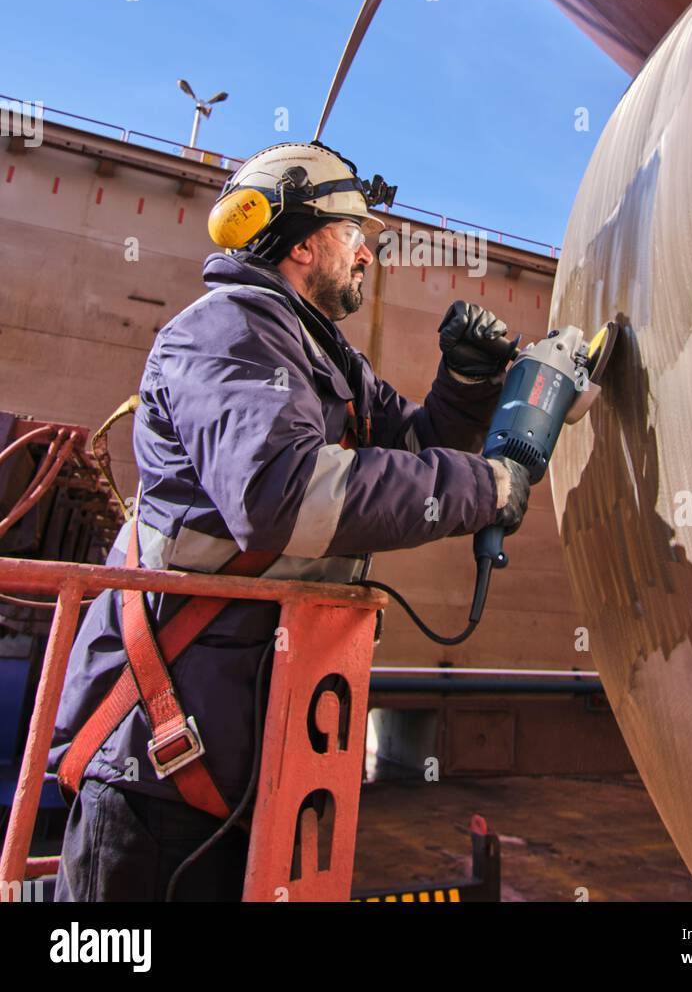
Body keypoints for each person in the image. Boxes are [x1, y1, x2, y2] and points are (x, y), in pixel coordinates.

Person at [48, 141, 531, 901]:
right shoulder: (227, 332)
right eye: (354, 234)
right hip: (157, 773)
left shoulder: (319, 354)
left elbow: (409, 451)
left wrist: (465, 387)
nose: (368, 254)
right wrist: (488, 487)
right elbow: (284, 495)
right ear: (305, 243)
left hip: (243, 757)